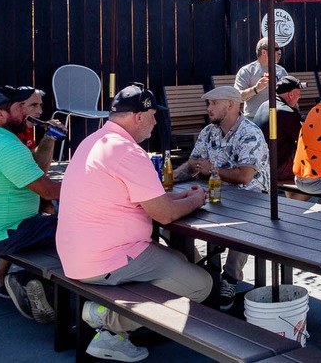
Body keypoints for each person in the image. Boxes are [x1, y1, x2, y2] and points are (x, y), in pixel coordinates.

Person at [58, 83, 211, 362]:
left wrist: (180, 197)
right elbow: (164, 215)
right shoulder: (127, 152)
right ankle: (109, 321)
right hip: (107, 260)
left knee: (179, 258)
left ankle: (120, 320)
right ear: (139, 116)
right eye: (153, 115)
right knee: (201, 283)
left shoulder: (94, 141)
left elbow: (147, 199)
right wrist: (196, 200)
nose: (156, 122)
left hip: (78, 255)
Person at [0, 85, 62, 324]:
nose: (29, 111)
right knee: (75, 226)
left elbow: (35, 172)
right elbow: (48, 190)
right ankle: (33, 284)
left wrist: (49, 137)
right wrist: (90, 185)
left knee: (45, 220)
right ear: (0, 114)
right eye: (21, 107)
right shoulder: (8, 147)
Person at [172, 86, 267, 312]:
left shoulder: (250, 133)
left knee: (244, 225)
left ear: (231, 105)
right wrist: (171, 176)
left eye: (214, 103)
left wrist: (212, 168)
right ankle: (198, 271)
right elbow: (193, 164)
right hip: (216, 193)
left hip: (250, 198)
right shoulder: (209, 132)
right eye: (209, 103)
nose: (208, 108)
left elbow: (245, 176)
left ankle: (230, 278)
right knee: (172, 217)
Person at [254, 75, 306, 191]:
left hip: (256, 167)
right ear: (291, 95)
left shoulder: (264, 105)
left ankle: (293, 198)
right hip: (274, 170)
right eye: (298, 94)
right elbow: (304, 139)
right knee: (312, 172)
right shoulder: (288, 112)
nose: (300, 97)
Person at [236, 38, 288, 120]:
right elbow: (238, 96)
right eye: (276, 49)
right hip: (254, 119)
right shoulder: (247, 71)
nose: (279, 52)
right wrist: (256, 89)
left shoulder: (281, 71)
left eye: (279, 49)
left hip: (278, 118)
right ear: (264, 52)